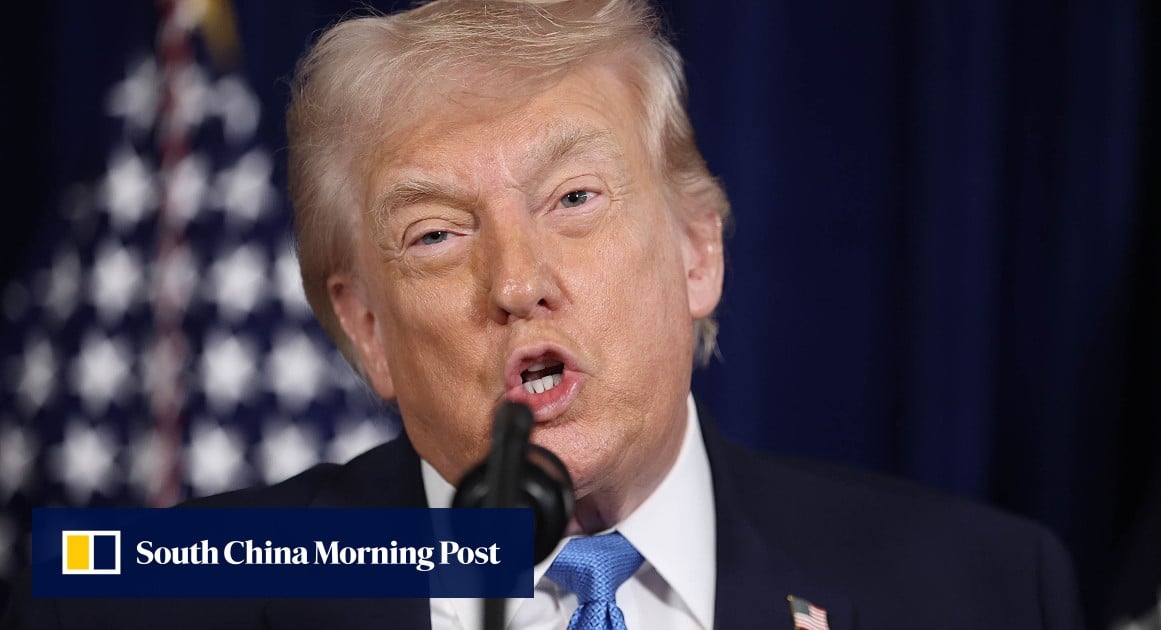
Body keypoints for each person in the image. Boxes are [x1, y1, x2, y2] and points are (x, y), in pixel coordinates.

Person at [2, 1, 1085, 628]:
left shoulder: (984, 590)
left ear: (697, 251)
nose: (517, 281)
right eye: (438, 233)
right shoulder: (132, 598)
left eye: (574, 199)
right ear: (366, 329)